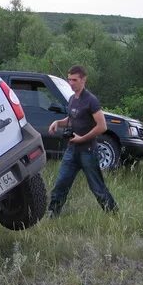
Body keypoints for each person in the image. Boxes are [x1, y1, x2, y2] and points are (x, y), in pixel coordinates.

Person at [47, 65, 118, 216]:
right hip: (72, 150)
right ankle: (53, 213)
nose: (71, 83)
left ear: (83, 80)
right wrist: (58, 123)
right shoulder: (72, 99)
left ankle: (113, 213)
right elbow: (72, 119)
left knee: (97, 187)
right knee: (61, 183)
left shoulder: (91, 100)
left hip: (88, 151)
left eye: (74, 80)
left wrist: (82, 139)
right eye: (69, 79)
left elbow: (102, 126)